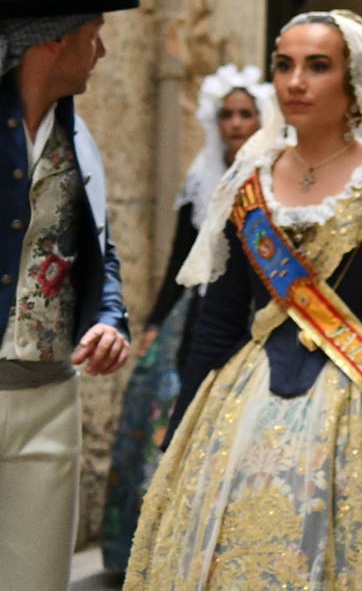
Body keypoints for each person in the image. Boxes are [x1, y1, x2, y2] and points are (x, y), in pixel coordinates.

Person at [127, 11, 362, 588]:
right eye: (284, 66)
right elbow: (216, 325)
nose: (295, 82)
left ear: (353, 82)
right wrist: (181, 424)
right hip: (248, 401)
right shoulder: (247, 185)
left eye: (317, 67)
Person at [0, 0, 137, 590]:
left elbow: (96, 251)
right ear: (55, 41)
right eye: (94, 35)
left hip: (52, 395)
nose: (100, 52)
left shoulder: (79, 141)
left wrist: (109, 317)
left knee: (35, 581)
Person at [100, 64, 270, 573]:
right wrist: (153, 321)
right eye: (227, 115)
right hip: (201, 314)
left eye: (245, 114)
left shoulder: (274, 173)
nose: (236, 124)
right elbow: (179, 259)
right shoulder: (200, 178)